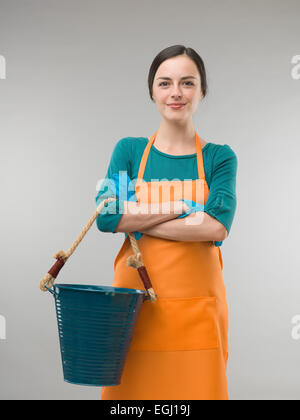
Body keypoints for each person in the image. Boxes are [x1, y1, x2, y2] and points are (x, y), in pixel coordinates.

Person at [95, 45, 238, 400]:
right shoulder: (128, 152)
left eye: (187, 83)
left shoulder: (219, 157)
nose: (176, 92)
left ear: (202, 90)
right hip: (135, 310)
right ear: (152, 92)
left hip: (198, 312)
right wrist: (181, 208)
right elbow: (107, 217)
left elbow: (217, 227)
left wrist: (136, 221)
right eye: (165, 83)